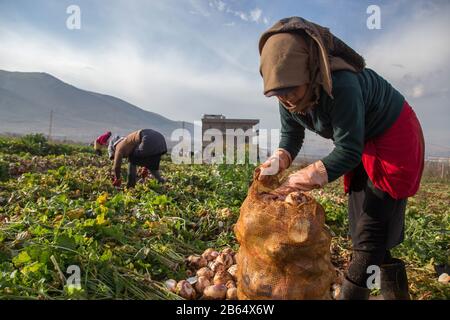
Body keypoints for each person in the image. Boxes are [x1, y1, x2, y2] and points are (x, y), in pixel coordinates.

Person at [256, 17, 424, 300]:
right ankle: (395, 293)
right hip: (361, 141)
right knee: (363, 225)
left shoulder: (341, 84)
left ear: (309, 71)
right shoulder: (288, 93)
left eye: (290, 91)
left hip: (394, 135)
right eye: (278, 94)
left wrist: (304, 177)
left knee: (372, 225)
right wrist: (281, 158)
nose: (286, 100)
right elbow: (291, 134)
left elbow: (348, 150)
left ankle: (353, 293)